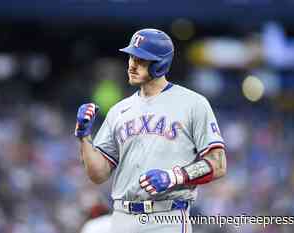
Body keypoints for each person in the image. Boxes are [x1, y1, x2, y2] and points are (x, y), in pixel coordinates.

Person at [74, 28, 227, 233]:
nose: (131, 65)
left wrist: (175, 176)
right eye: (131, 57)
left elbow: (218, 163)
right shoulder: (119, 110)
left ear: (159, 64)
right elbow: (98, 174)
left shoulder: (193, 103)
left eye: (140, 60)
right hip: (121, 218)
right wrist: (84, 137)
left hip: (166, 217)